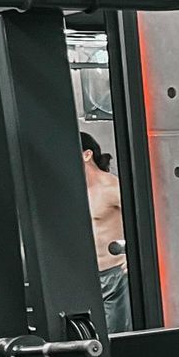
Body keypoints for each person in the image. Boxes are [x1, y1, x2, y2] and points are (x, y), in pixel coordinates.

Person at [80, 133, 131, 333]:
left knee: (114, 337)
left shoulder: (112, 187)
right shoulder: (75, 192)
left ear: (87, 155)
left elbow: (147, 219)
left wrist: (132, 256)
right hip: (86, 278)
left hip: (114, 275)